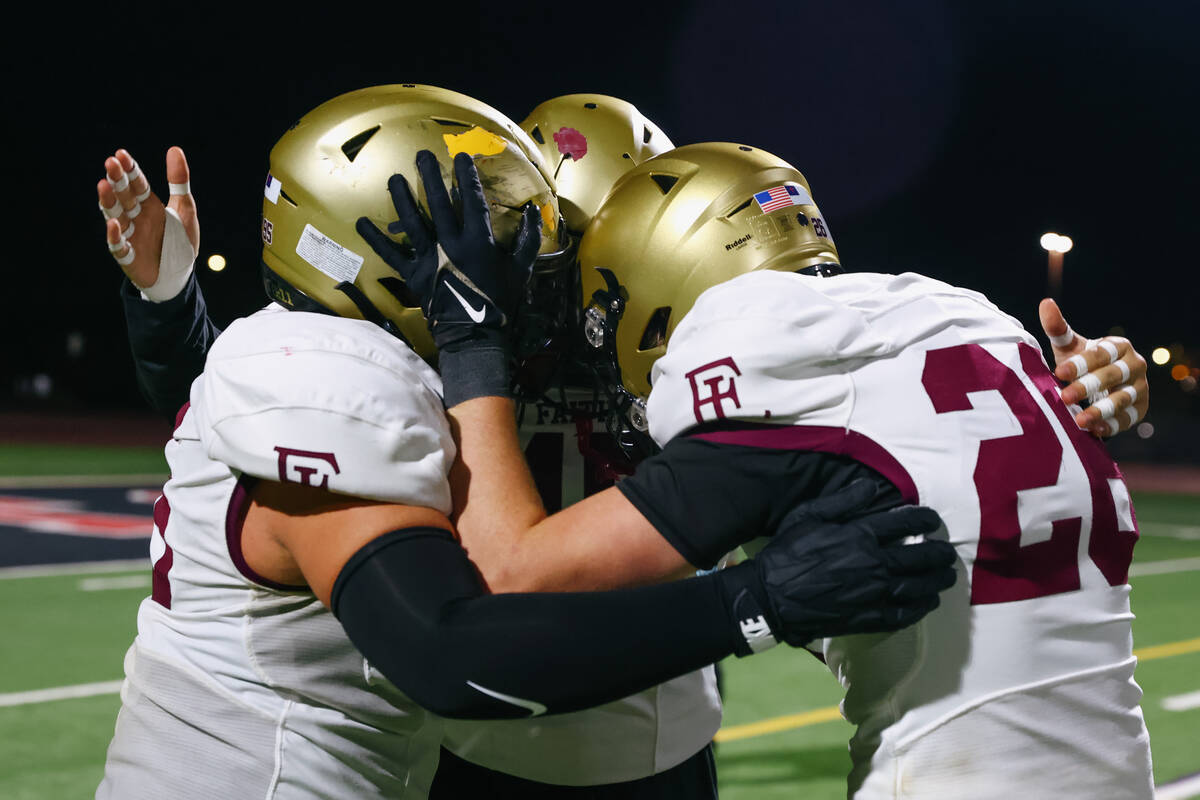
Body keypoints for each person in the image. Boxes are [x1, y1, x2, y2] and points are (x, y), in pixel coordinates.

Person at [94, 86, 956, 800]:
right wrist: (173, 311)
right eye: (541, 248)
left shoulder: (566, 336)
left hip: (651, 708)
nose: (554, 282)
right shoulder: (414, 354)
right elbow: (249, 440)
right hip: (483, 729)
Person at [535, 141, 1151, 798]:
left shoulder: (768, 353)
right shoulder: (972, 319)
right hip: (1119, 769)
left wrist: (471, 352)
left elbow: (523, 575)